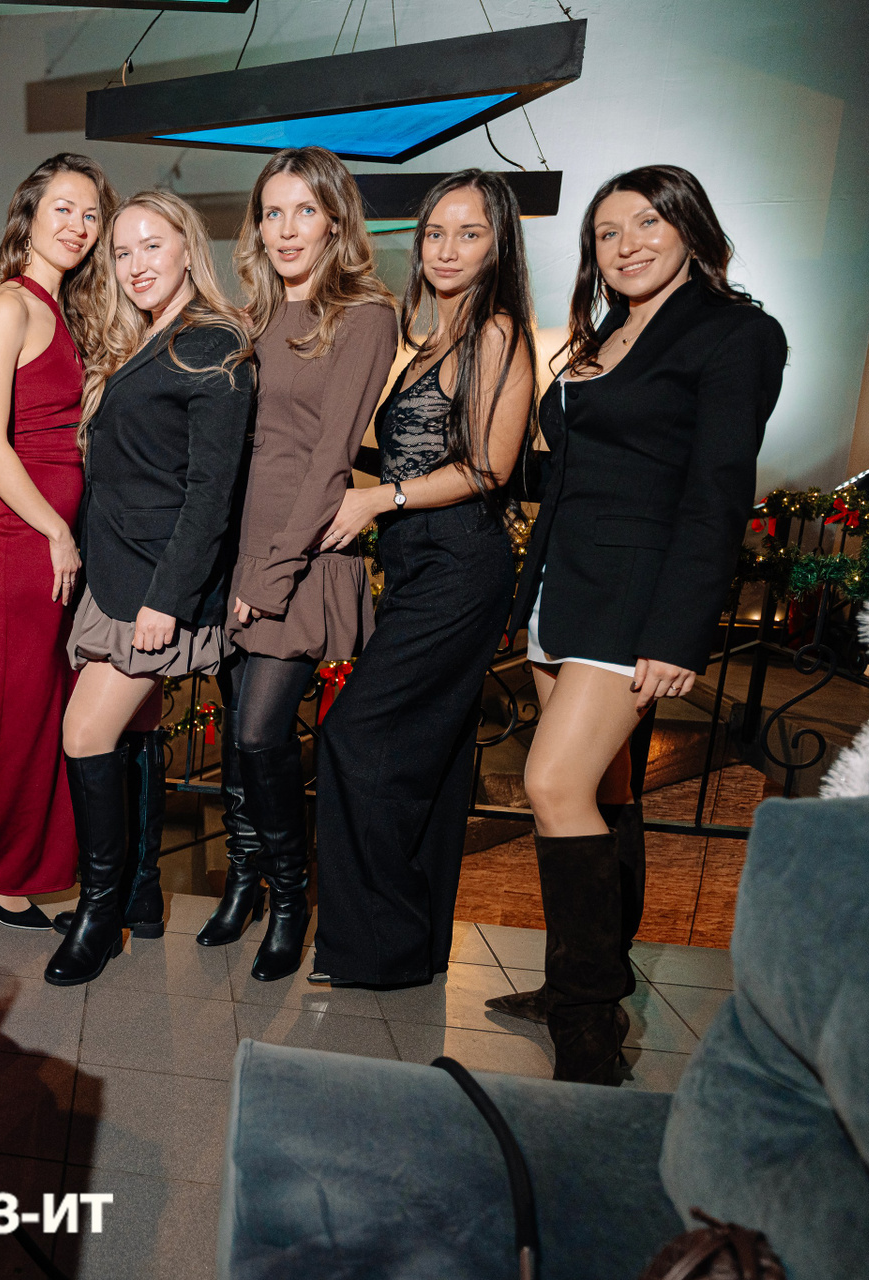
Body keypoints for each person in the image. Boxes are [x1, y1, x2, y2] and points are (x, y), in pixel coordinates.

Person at [484, 166, 785, 1085]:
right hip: (564, 587)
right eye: (607, 234)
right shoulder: (609, 331)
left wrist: (679, 632)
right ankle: (583, 979)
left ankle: (587, 1026)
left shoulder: (736, 333)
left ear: (691, 228)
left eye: (648, 223)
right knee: (604, 792)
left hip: (635, 595)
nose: (627, 245)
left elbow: (718, 493)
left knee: (553, 783)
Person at [308, 170, 536, 989]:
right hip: (418, 563)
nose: (446, 249)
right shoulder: (436, 339)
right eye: (435, 232)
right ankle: (410, 949)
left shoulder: (496, 332)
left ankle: (375, 944)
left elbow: (489, 466)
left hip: (459, 564)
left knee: (355, 734)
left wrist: (380, 497)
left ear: (498, 244)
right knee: (431, 758)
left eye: (469, 234)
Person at [201, 147, 400, 985]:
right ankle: (242, 881)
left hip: (299, 555)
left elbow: (328, 462)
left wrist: (271, 576)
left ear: (335, 221)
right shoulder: (250, 317)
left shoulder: (365, 315)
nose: (286, 230)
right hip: (234, 552)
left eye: (305, 211)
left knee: (260, 732)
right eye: (272, 213)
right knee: (237, 738)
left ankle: (290, 898)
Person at [45, 190, 252, 985]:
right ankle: (136, 898)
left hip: (154, 585)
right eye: (122, 252)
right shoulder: (153, 338)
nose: (135, 265)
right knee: (131, 733)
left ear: (187, 247)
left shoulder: (213, 343)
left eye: (151, 246)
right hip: (118, 573)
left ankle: (98, 917)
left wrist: (167, 599)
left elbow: (210, 494)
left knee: (83, 733)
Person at [0, 153, 118, 930]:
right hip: (24, 541)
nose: (78, 226)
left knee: (44, 709)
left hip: (56, 541)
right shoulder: (9, 305)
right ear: (29, 212)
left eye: (91, 215)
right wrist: (56, 529)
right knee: (15, 712)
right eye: (64, 208)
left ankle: (27, 873)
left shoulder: (63, 310)